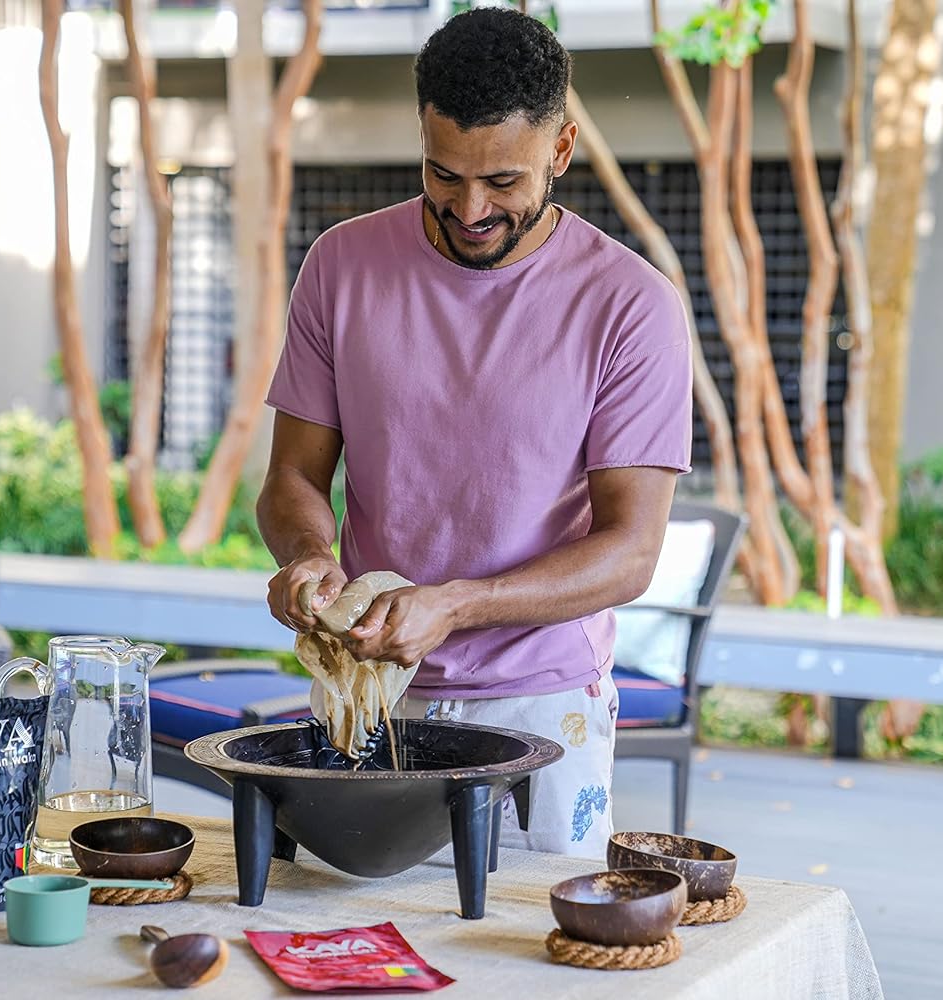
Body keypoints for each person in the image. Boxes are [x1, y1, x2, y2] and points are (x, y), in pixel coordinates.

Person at [257, 6, 692, 858]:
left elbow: (632, 552)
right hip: (369, 689)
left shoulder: (631, 305)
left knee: (532, 965)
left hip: (542, 705)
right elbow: (293, 480)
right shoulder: (341, 267)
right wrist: (307, 554)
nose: (470, 208)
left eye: (503, 182)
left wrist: (455, 605)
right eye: (443, 174)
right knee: (347, 953)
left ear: (561, 151)